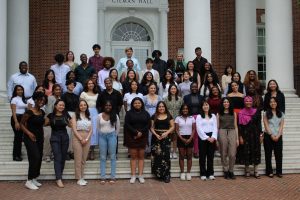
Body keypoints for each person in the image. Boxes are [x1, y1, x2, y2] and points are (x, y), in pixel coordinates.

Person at [20, 92, 47, 190]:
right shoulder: (29, 112)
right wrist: (29, 133)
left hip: (39, 137)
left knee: (39, 157)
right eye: (40, 100)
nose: (42, 102)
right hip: (30, 138)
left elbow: (42, 125)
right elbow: (21, 124)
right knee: (34, 157)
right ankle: (29, 180)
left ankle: (34, 177)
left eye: (43, 100)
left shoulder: (42, 112)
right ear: (35, 100)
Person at [45, 99, 71, 188]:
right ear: (55, 106)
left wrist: (69, 122)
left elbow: (71, 125)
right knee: (57, 157)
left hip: (64, 137)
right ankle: (58, 178)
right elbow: (45, 124)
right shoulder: (50, 115)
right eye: (60, 105)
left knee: (63, 157)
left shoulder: (66, 114)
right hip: (55, 137)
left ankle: (59, 175)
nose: (61, 107)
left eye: (63, 105)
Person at [124, 97, 150, 184]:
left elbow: (148, 124)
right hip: (132, 137)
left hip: (143, 137)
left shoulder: (146, 113)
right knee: (133, 157)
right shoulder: (129, 113)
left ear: (142, 104)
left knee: (141, 156)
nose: (137, 104)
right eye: (135, 103)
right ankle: (133, 175)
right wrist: (135, 132)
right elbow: (127, 124)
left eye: (139, 103)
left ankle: (140, 175)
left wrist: (140, 132)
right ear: (132, 104)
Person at [236, 96, 263, 178]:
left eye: (250, 101)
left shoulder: (257, 112)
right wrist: (240, 137)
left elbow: (259, 124)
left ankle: (256, 171)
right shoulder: (241, 113)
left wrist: (261, 135)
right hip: (245, 135)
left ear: (252, 102)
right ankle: (247, 171)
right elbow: (240, 126)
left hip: (255, 134)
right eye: (246, 101)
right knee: (246, 152)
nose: (248, 102)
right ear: (244, 102)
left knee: (256, 151)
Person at [150, 101, 175, 183]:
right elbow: (151, 127)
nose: (161, 108)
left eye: (163, 106)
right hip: (156, 138)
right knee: (157, 156)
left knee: (166, 157)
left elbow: (172, 126)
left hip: (166, 138)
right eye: (159, 107)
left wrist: (166, 133)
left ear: (165, 107)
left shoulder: (169, 116)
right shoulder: (154, 116)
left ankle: (166, 175)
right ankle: (159, 175)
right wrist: (156, 135)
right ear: (157, 108)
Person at [97, 100, 120, 184]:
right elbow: (98, 128)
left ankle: (112, 177)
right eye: (106, 105)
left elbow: (118, 128)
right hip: (102, 137)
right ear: (103, 106)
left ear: (112, 106)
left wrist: (114, 136)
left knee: (112, 157)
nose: (108, 107)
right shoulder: (99, 116)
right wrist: (102, 134)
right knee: (102, 157)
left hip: (112, 136)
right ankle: (103, 177)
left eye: (109, 105)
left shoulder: (115, 116)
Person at [71, 100, 92, 186]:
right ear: (78, 107)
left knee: (83, 159)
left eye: (84, 105)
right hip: (77, 137)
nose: (83, 106)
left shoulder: (88, 116)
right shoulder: (75, 115)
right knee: (78, 159)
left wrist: (86, 138)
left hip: (87, 137)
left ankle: (82, 176)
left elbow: (91, 129)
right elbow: (74, 129)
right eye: (81, 105)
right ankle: (78, 178)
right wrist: (81, 139)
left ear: (86, 106)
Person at [196, 101, 218, 181]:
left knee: (210, 156)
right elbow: (198, 128)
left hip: (212, 137)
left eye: (207, 105)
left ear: (209, 106)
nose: (205, 106)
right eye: (204, 105)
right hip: (203, 137)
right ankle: (203, 173)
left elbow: (215, 127)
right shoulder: (199, 116)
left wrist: (213, 137)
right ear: (202, 107)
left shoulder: (213, 116)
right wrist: (206, 137)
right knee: (202, 156)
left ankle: (211, 173)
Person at [217, 98, 238, 179]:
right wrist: (217, 138)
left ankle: (231, 170)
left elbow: (236, 126)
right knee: (223, 152)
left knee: (232, 154)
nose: (226, 103)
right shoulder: (219, 114)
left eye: (227, 102)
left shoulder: (234, 113)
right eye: (224, 102)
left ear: (229, 103)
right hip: (222, 131)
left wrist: (237, 139)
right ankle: (226, 170)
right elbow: (217, 127)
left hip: (232, 131)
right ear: (222, 104)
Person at [263, 97, 285, 178]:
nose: (273, 103)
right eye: (271, 102)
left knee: (279, 154)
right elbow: (266, 125)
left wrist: (278, 135)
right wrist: (271, 135)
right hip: (268, 136)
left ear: (277, 103)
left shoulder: (281, 113)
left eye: (274, 102)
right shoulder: (265, 113)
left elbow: (281, 126)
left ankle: (279, 171)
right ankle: (269, 171)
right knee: (268, 154)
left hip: (279, 136)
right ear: (269, 104)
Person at [183, 82, 204, 158]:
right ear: (190, 88)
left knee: (196, 136)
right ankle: (186, 152)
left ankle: (196, 151)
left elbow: (203, 108)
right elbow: (184, 108)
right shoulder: (186, 97)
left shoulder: (201, 97)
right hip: (189, 117)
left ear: (198, 88)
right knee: (187, 134)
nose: (194, 88)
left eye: (195, 87)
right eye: (193, 87)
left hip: (198, 118)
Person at [175, 104, 195, 181]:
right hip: (181, 137)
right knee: (181, 156)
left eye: (186, 109)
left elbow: (193, 129)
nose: (185, 110)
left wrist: (190, 138)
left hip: (190, 137)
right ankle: (182, 172)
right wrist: (182, 139)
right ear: (181, 110)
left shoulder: (192, 118)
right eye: (183, 109)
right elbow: (176, 130)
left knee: (189, 156)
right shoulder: (178, 118)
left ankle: (188, 173)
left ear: (188, 110)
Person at [80, 79, 99, 160]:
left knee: (94, 132)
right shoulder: (83, 94)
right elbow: (80, 104)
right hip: (86, 113)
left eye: (92, 83)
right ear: (86, 85)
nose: (90, 85)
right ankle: (86, 152)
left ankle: (92, 151)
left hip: (95, 113)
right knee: (86, 131)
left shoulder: (97, 94)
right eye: (89, 83)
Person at [61, 80, 80, 160]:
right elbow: (63, 107)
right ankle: (66, 152)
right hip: (67, 115)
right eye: (70, 84)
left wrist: (76, 116)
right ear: (67, 86)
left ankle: (72, 151)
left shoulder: (76, 96)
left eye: (73, 85)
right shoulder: (64, 96)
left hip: (75, 115)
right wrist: (68, 118)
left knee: (74, 135)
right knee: (68, 134)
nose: (72, 86)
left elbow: (78, 107)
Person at [163, 84, 183, 159]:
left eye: (174, 89)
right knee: (168, 136)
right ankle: (168, 151)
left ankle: (174, 151)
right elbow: (163, 109)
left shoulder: (180, 99)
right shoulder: (165, 99)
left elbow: (182, 110)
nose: (173, 90)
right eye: (172, 89)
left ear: (176, 90)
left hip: (177, 119)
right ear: (169, 90)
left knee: (175, 137)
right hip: (168, 119)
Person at [44, 84, 62, 162]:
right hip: (50, 122)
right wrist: (51, 121)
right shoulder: (50, 98)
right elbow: (48, 111)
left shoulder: (61, 98)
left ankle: (54, 154)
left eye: (59, 89)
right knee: (48, 138)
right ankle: (47, 155)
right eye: (56, 89)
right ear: (53, 90)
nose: (58, 91)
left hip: (59, 122)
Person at [143, 83, 162, 157]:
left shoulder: (159, 97)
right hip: (147, 118)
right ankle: (147, 150)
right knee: (148, 134)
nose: (153, 89)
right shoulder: (144, 97)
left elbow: (161, 107)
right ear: (148, 89)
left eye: (154, 88)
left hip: (157, 118)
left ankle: (155, 150)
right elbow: (142, 108)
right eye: (151, 88)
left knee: (156, 133)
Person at [10, 85, 27, 161]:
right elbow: (13, 112)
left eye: (21, 90)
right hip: (16, 118)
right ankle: (15, 155)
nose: (20, 91)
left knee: (20, 137)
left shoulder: (24, 99)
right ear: (15, 91)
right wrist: (16, 122)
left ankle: (18, 154)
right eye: (18, 90)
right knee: (17, 137)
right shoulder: (14, 99)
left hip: (23, 118)